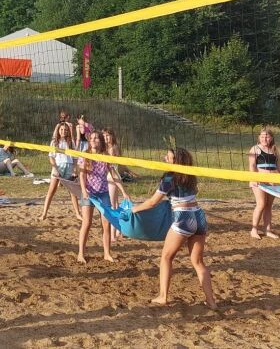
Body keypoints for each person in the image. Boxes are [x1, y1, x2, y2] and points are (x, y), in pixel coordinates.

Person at [131, 147, 216, 308]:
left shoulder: (169, 178)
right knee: (198, 262)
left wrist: (135, 209)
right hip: (199, 216)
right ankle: (211, 302)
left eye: (168, 157)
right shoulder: (191, 175)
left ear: (176, 162)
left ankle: (163, 296)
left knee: (166, 257)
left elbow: (152, 202)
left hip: (183, 218)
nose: (165, 159)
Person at [77, 131, 128, 263]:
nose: (94, 140)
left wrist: (123, 191)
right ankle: (81, 254)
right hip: (89, 192)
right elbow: (81, 175)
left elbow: (114, 175)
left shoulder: (105, 156)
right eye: (92, 138)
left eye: (97, 138)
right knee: (87, 223)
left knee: (106, 224)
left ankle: (107, 254)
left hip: (103, 193)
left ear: (101, 141)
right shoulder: (85, 154)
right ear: (89, 141)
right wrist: (83, 190)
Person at [39, 123, 79, 221]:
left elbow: (75, 158)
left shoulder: (71, 142)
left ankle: (78, 214)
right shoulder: (54, 142)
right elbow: (51, 157)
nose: (63, 131)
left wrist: (74, 169)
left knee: (72, 192)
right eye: (61, 129)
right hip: (58, 166)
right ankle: (44, 213)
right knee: (51, 191)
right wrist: (55, 168)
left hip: (69, 167)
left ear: (68, 131)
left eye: (65, 130)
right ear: (58, 130)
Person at [248, 128, 280, 239]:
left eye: (267, 136)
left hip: (273, 181)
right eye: (262, 136)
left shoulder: (274, 149)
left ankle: (267, 230)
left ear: (271, 138)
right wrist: (254, 178)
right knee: (261, 204)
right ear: (259, 137)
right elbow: (252, 165)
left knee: (268, 206)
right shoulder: (255, 148)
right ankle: (254, 230)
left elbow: (279, 166)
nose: (264, 139)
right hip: (259, 180)